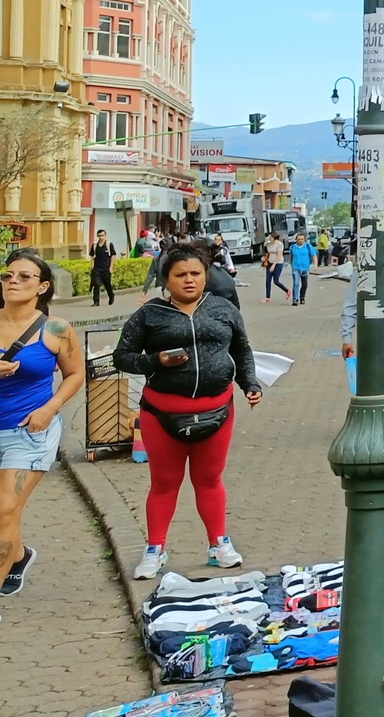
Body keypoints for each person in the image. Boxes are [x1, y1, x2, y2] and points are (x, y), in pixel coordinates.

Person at [114, 246, 262, 578]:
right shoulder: (149, 314)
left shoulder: (223, 308)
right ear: (166, 279)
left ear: (205, 275)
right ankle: (155, 549)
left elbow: (241, 348)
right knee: (164, 483)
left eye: (195, 273)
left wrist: (249, 382)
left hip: (217, 410)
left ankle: (219, 544)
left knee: (209, 480)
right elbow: (121, 356)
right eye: (180, 274)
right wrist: (156, 361)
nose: (189, 280)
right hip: (162, 412)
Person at [0, 252, 87, 606]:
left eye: (24, 276)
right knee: (6, 512)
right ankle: (17, 556)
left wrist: (49, 409)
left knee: (4, 508)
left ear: (42, 286)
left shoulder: (55, 329)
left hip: (29, 430)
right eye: (8, 276)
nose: (13, 282)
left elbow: (75, 374)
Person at [89, 230, 118, 306]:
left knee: (107, 284)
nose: (101, 237)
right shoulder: (95, 245)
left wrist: (111, 267)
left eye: (102, 235)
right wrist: (92, 267)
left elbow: (113, 255)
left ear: (105, 236)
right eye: (99, 236)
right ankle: (96, 301)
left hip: (106, 268)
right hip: (97, 269)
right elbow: (92, 256)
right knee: (96, 284)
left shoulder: (109, 245)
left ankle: (111, 295)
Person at [287, 232, 316, 307]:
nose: (300, 240)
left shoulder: (308, 247)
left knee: (304, 284)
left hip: (305, 268)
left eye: (302, 239)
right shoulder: (293, 247)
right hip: (295, 268)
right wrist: (291, 264)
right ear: (296, 240)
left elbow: (314, 256)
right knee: (296, 283)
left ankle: (302, 297)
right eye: (299, 239)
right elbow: (291, 257)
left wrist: (315, 265)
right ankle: (295, 299)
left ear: (304, 240)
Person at [262, 233, 290, 303]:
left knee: (276, 281)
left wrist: (274, 265)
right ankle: (267, 297)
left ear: (274, 237)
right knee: (268, 281)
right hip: (269, 263)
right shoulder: (269, 244)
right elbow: (267, 254)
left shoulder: (279, 244)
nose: (269, 239)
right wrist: (264, 260)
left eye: (270, 237)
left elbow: (279, 255)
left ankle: (287, 290)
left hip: (278, 263)